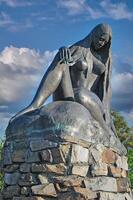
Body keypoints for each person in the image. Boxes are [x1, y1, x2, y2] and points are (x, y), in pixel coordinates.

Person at [10, 23, 115, 134]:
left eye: (104, 41)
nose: (101, 43)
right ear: (93, 34)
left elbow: (106, 89)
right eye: (99, 38)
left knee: (81, 94)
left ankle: (104, 128)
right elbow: (66, 63)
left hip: (90, 99)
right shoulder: (78, 48)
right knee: (61, 59)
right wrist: (63, 50)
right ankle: (35, 104)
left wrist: (107, 116)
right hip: (70, 94)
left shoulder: (105, 58)